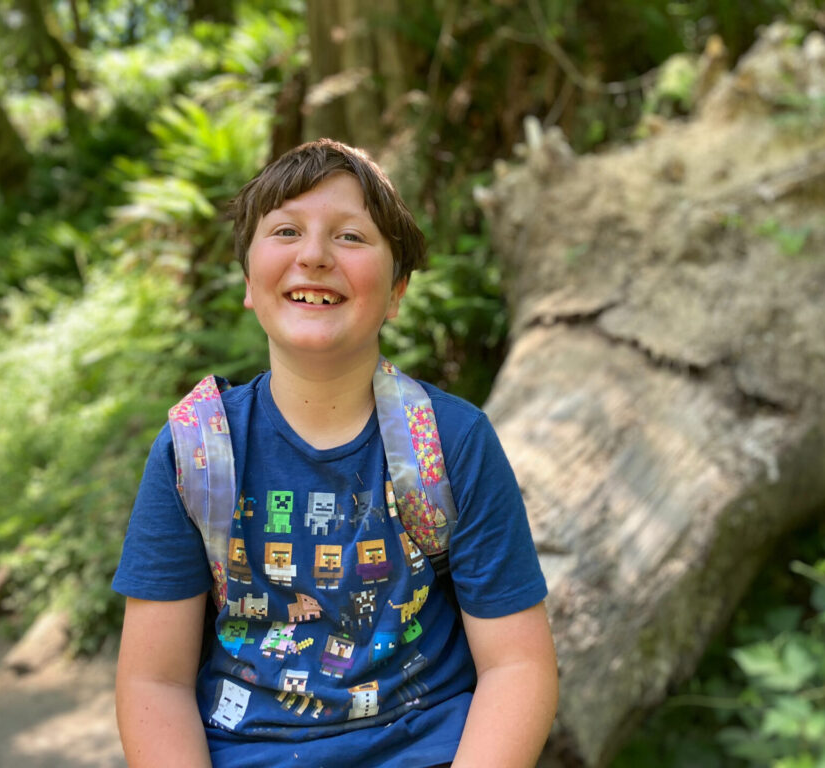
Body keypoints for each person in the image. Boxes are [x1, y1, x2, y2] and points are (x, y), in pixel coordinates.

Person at [112, 138, 558, 768]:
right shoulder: (196, 450)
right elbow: (153, 681)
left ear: (397, 291)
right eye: (287, 230)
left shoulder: (451, 443)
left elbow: (518, 664)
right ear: (248, 279)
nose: (314, 255)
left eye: (350, 237)